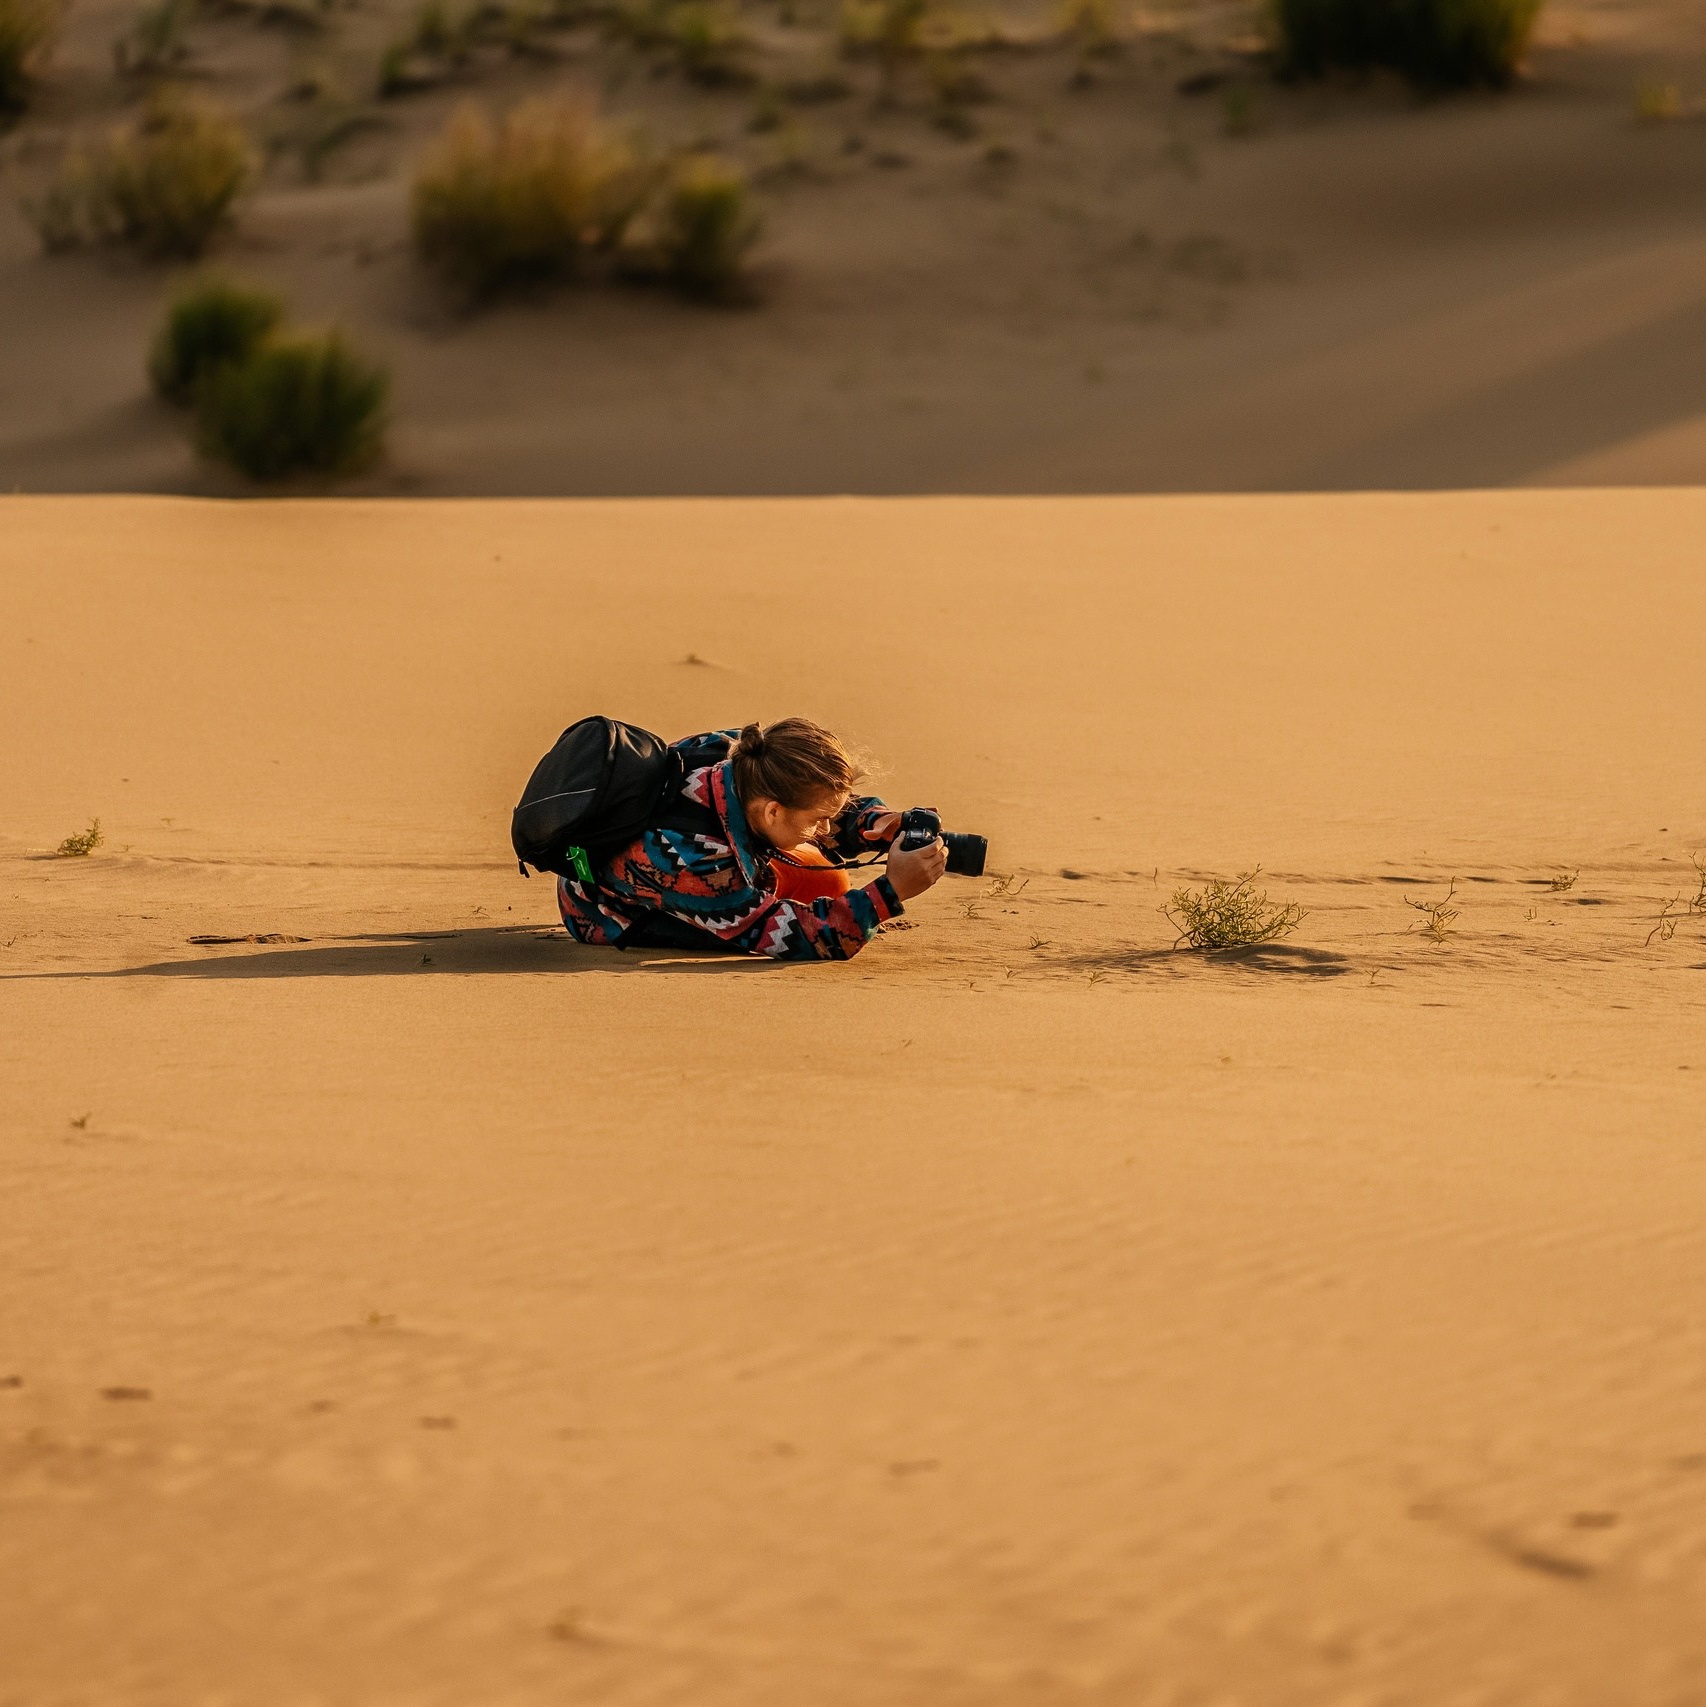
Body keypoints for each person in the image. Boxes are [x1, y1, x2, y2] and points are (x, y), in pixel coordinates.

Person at [557, 719, 948, 960]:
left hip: (694, 858)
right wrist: (891, 892)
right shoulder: (694, 862)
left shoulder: (744, 755)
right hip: (603, 913)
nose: (827, 830)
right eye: (820, 821)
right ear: (772, 812)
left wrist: (875, 822)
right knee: (822, 886)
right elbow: (806, 939)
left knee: (827, 878)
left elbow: (812, 797)